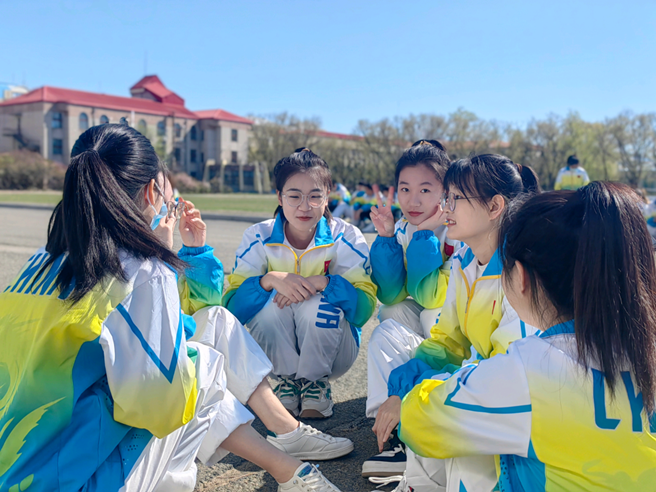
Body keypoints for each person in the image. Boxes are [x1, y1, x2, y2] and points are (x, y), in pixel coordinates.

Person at [0, 125, 349, 492]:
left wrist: (187, 255)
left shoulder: (40, 261)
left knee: (207, 334)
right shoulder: (139, 269)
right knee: (200, 368)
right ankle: (288, 462)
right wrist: (160, 265)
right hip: (74, 479)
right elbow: (161, 405)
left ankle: (288, 452)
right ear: (152, 191)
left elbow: (195, 312)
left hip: (20, 466)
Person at [400, 181, 656, 491]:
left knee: (473, 443)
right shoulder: (644, 347)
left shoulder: (530, 366)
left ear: (520, 276)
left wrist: (443, 379)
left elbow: (419, 421)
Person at [366, 154, 541, 490]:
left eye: (456, 198)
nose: (446, 208)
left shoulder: (520, 271)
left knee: (443, 418)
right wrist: (404, 390)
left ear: (495, 207)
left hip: (514, 406)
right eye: (447, 197)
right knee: (407, 369)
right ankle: (401, 446)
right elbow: (447, 341)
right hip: (481, 381)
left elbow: (505, 373)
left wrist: (418, 393)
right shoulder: (466, 259)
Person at [224, 148, 376, 419]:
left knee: (314, 303)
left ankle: (316, 383)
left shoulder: (347, 236)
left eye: (315, 196)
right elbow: (232, 310)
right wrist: (268, 280)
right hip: (274, 351)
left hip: (337, 353)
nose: (304, 206)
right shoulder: (257, 236)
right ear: (279, 197)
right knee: (270, 305)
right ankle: (286, 383)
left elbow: (364, 310)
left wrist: (324, 282)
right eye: (294, 196)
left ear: (327, 197)